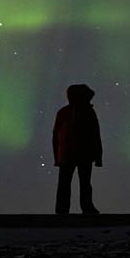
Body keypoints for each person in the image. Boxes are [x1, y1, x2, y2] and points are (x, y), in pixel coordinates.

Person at [53, 84, 103, 214]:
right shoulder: (75, 112)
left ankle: (74, 208)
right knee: (74, 183)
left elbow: (56, 136)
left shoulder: (66, 112)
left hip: (76, 153)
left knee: (78, 183)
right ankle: (78, 207)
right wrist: (98, 156)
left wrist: (57, 157)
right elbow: (95, 134)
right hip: (74, 153)